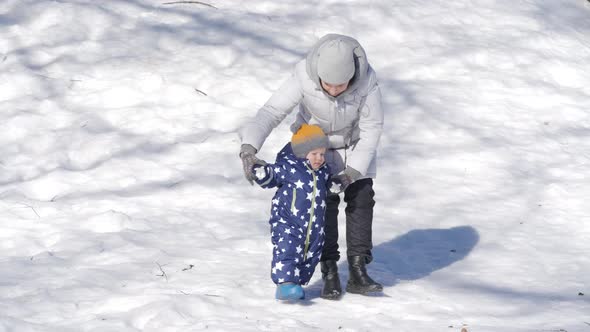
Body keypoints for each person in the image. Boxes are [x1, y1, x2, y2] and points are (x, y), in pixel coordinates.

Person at [239, 34, 384, 300]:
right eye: (328, 84)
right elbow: (271, 111)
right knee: (322, 203)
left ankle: (358, 268)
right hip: (315, 146)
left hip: (355, 145)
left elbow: (372, 127)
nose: (334, 90)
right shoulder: (303, 75)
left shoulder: (367, 81)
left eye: (341, 85)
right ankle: (328, 268)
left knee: (362, 198)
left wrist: (352, 172)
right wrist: (249, 148)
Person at [250, 124, 331, 300]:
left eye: (322, 154)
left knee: (310, 253)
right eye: (314, 154)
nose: (319, 158)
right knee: (288, 250)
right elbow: (272, 174)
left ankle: (296, 284)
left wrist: (338, 183)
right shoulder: (290, 168)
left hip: (313, 227)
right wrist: (260, 170)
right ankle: (285, 285)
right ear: (302, 153)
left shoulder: (323, 172)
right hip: (287, 222)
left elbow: (329, 187)